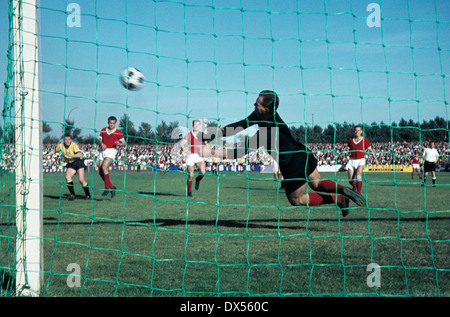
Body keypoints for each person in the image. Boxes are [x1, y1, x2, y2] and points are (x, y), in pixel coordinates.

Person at [212, 90, 365, 216]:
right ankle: (342, 191)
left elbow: (238, 152)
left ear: (265, 109)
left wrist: (210, 151)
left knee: (297, 199)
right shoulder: (264, 115)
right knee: (317, 183)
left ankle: (338, 199)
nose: (254, 104)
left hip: (292, 165)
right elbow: (239, 125)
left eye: (257, 103)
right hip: (303, 153)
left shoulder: (265, 133)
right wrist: (212, 134)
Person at [44, 133, 91, 201]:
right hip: (71, 164)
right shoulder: (60, 146)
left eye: (69, 139)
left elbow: (80, 154)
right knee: (67, 177)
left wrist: (72, 155)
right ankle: (72, 195)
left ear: (71, 139)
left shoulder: (73, 145)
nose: (68, 141)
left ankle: (88, 195)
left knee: (81, 180)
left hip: (78, 163)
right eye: (66, 139)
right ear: (63, 140)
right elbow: (54, 151)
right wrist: (47, 155)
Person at [179, 119, 214, 197]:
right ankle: (189, 192)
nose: (196, 126)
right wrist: (186, 150)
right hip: (191, 156)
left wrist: (207, 149)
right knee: (191, 175)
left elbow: (206, 143)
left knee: (203, 172)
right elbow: (182, 144)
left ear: (200, 126)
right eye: (195, 124)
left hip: (199, 156)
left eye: (198, 124)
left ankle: (198, 180)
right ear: (193, 125)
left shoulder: (201, 135)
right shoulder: (188, 135)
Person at [98, 116, 126, 198]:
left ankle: (107, 188)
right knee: (100, 171)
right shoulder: (103, 130)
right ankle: (112, 188)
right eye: (110, 123)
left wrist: (119, 144)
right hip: (102, 150)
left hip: (111, 151)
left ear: (115, 123)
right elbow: (100, 139)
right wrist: (101, 143)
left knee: (104, 167)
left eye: (113, 123)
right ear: (108, 123)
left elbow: (124, 143)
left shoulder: (118, 132)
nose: (111, 125)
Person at [346, 125, 379, 194]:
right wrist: (347, 149)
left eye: (358, 130)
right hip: (352, 160)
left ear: (361, 131)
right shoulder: (351, 140)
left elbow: (371, 150)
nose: (356, 132)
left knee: (358, 175)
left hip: (360, 160)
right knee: (350, 180)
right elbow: (348, 147)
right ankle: (354, 187)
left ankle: (358, 193)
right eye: (355, 130)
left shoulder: (365, 140)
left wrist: (375, 159)